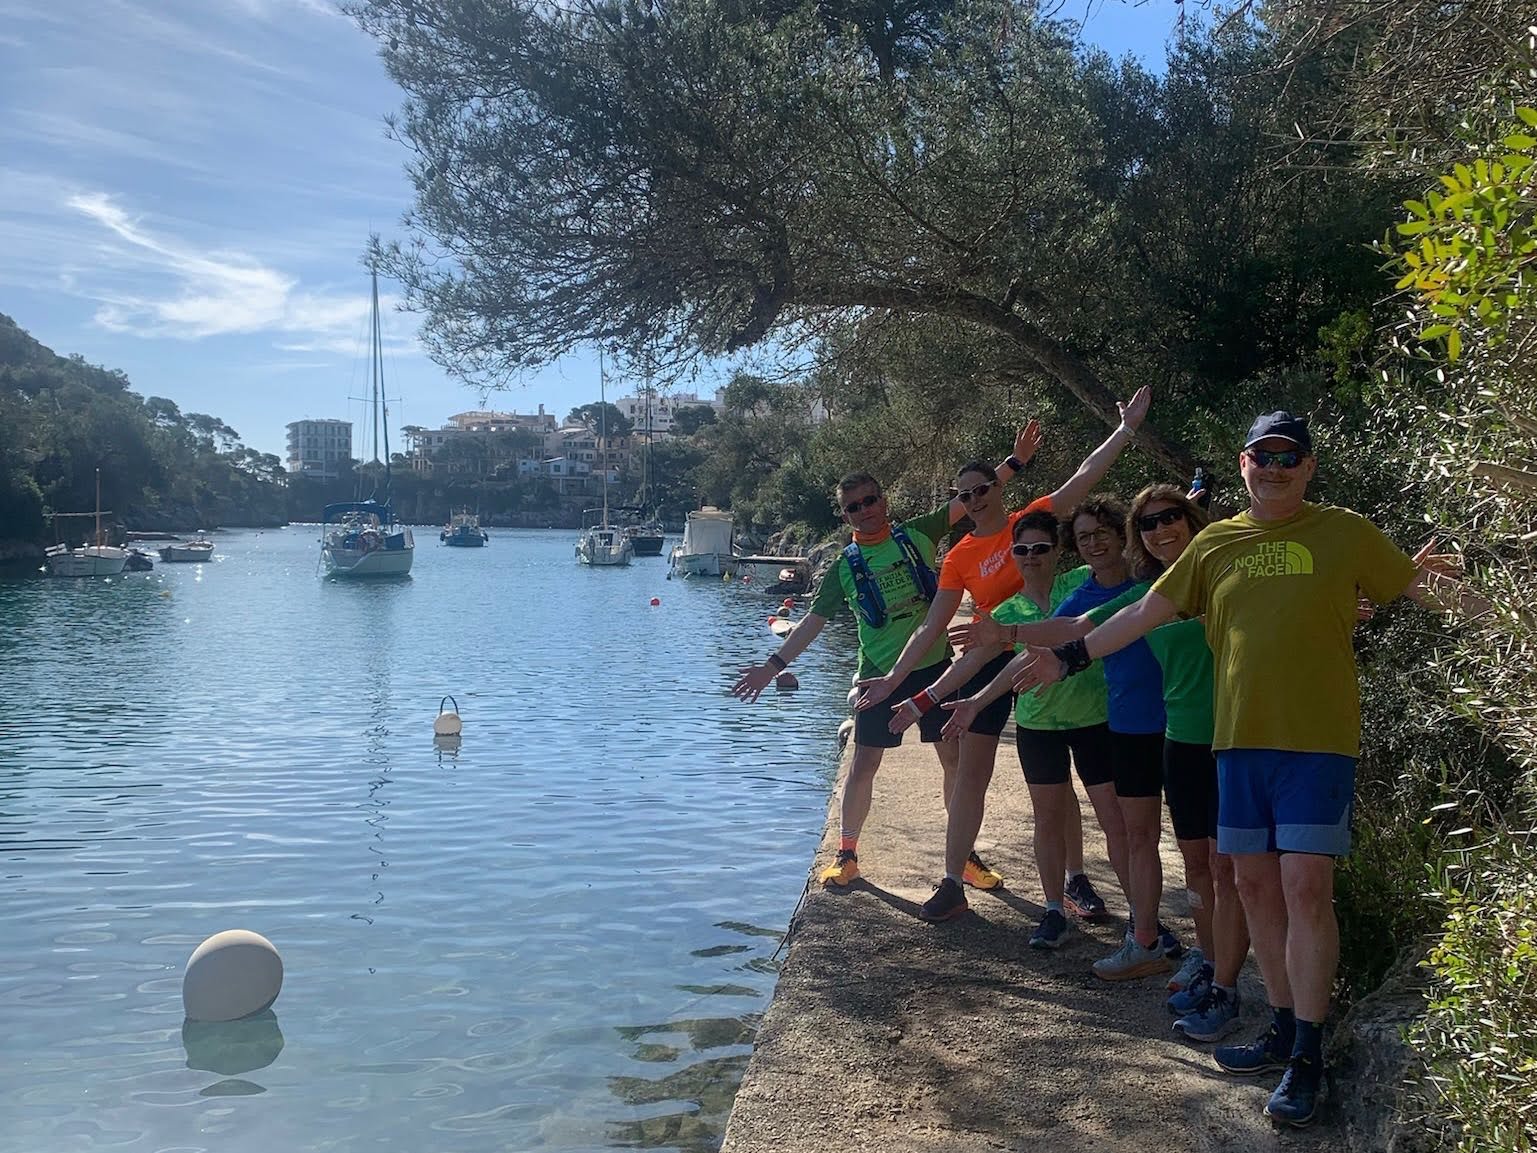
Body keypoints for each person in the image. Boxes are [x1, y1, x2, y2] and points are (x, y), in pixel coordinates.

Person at [1008, 411, 1476, 1126]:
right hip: (1235, 745)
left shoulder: (1343, 530)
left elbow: (1419, 587)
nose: (1276, 466)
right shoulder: (1215, 545)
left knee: (1303, 885)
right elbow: (1138, 615)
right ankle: (1284, 1025)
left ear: (1309, 467)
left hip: (1316, 745)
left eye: (1290, 455)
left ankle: (1307, 1057)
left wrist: (1508, 617)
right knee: (1254, 885)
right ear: (1243, 463)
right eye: (1264, 455)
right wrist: (1068, 655)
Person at [855, 387, 1152, 923]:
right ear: (960, 503)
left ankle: (1075, 879)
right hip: (992, 648)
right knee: (972, 772)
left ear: (999, 487)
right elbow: (933, 623)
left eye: (982, 489)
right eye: (964, 496)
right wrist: (896, 677)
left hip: (1043, 637)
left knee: (1056, 777)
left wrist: (1126, 430)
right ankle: (952, 880)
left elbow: (1085, 477)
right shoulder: (959, 555)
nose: (974, 501)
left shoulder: (1030, 522)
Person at [732, 424, 1041, 888]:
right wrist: (772, 667)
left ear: (884, 501)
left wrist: (1015, 461)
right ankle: (847, 853)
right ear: (845, 515)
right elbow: (813, 623)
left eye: (870, 501)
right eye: (852, 507)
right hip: (877, 675)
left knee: (953, 760)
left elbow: (976, 495)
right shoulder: (843, 568)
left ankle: (965, 857)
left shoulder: (920, 532)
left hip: (936, 668)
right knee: (864, 763)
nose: (864, 511)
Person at [888, 509, 1121, 947]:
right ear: (1012, 555)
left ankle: (1130, 915)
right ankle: (1053, 909)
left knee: (1115, 819)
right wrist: (924, 699)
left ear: (1057, 552)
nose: (1031, 557)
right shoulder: (1007, 610)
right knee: (1047, 812)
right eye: (1022, 550)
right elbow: (974, 661)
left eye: (1040, 549)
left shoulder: (1081, 586)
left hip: (1095, 719)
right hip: (1039, 724)